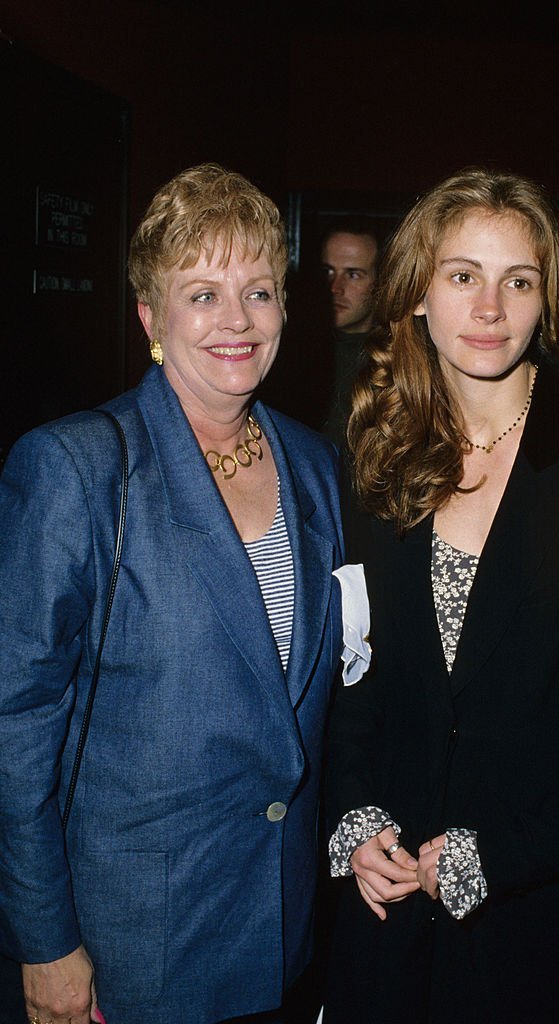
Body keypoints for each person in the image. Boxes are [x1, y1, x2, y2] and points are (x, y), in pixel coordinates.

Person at [322, 166, 559, 1023]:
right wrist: (352, 814)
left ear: (548, 297)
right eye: (462, 276)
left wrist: (505, 853)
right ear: (419, 291)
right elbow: (352, 670)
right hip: (396, 914)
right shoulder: (377, 444)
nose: (488, 308)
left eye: (517, 280)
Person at [0, 163, 344, 1024]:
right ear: (151, 317)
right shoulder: (76, 467)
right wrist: (43, 941)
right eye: (202, 294)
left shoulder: (311, 461)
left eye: (258, 292)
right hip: (135, 945)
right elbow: (13, 722)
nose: (236, 321)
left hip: (280, 924)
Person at [317, 217, 381, 445]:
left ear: (379, 283)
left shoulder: (396, 362)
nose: (335, 287)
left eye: (353, 274)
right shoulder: (292, 356)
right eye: (328, 272)